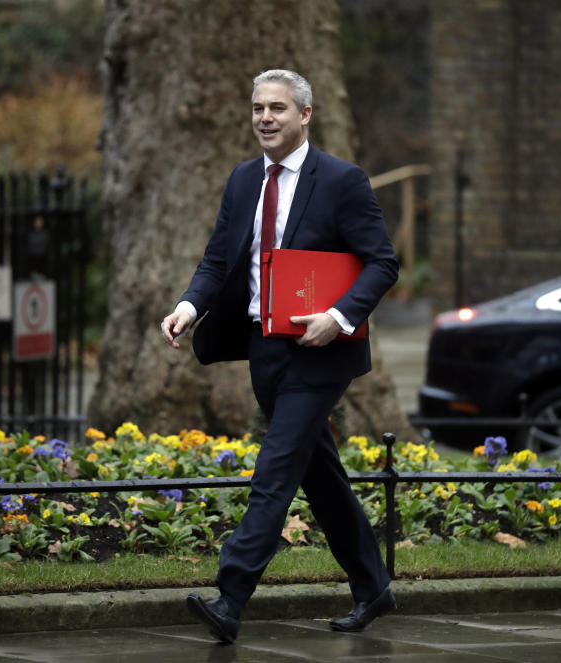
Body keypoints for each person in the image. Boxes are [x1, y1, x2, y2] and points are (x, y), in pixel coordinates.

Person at [160, 69, 399, 644]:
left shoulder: (343, 180)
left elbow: (382, 263)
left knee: (275, 468)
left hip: (322, 351)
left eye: (278, 109)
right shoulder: (244, 181)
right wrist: (189, 307)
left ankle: (231, 595)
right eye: (258, 109)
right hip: (263, 347)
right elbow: (219, 260)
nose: (265, 118)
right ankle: (374, 587)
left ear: (305, 116)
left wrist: (338, 317)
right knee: (319, 475)